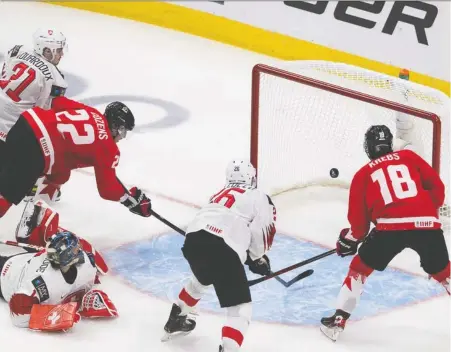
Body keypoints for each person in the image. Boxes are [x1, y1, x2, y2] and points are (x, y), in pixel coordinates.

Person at [320, 125, 450, 342]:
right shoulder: (409, 157)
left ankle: (338, 321)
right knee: (445, 272)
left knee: (359, 268)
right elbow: (437, 188)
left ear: (368, 147)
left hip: (390, 228)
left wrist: (348, 240)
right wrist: (423, 209)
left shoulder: (363, 174)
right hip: (427, 224)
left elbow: (359, 227)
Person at [0, 95, 152, 242]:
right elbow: (107, 189)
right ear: (115, 126)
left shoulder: (91, 112)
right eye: (122, 131)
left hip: (26, 123)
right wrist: (130, 199)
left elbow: (57, 102)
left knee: (60, 174)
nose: (122, 137)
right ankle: (33, 210)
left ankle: (37, 201)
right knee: (8, 194)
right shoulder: (109, 148)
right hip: (37, 150)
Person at [162, 160, 277, 352]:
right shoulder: (258, 196)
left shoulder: (217, 195)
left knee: (201, 279)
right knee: (240, 309)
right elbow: (263, 230)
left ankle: (177, 318)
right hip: (222, 247)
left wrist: (248, 256)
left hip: (193, 241)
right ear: (252, 178)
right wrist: (257, 258)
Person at [0, 230, 118, 331]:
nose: (80, 250)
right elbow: (18, 313)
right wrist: (53, 315)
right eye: (76, 249)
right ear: (68, 257)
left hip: (23, 261)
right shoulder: (42, 281)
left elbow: (89, 279)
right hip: (7, 275)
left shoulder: (87, 262)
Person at [0, 28, 68, 201]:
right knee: (42, 144)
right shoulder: (56, 80)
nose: (61, 54)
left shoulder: (17, 50)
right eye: (58, 50)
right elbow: (41, 116)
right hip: (9, 131)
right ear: (47, 50)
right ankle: (33, 185)